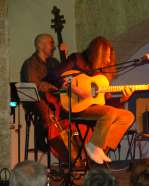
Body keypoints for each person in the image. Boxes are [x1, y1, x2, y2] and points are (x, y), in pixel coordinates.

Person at [54, 36, 134, 164]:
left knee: (127, 116)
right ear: (97, 53)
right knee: (109, 113)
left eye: (109, 56)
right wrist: (76, 88)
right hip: (74, 106)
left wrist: (122, 99)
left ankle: (99, 147)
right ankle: (94, 146)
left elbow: (105, 102)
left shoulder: (103, 75)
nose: (108, 60)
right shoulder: (77, 60)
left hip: (94, 108)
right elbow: (57, 76)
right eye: (105, 55)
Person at [20, 33, 67, 151]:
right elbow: (34, 84)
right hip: (34, 99)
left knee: (69, 108)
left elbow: (63, 76)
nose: (53, 46)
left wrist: (65, 55)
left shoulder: (54, 62)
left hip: (52, 99)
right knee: (45, 109)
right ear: (41, 45)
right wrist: (48, 86)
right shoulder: (30, 63)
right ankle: (43, 139)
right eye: (51, 43)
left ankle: (67, 142)